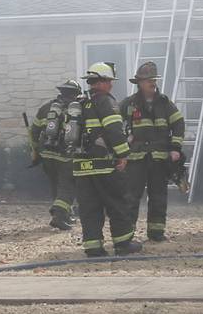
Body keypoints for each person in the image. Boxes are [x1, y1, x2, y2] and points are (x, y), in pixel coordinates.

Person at [72, 62, 142, 257]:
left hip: (81, 166)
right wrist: (123, 155)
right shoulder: (105, 101)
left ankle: (93, 247)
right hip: (103, 164)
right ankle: (123, 244)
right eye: (109, 81)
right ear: (101, 82)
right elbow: (114, 130)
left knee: (89, 208)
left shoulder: (80, 103)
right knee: (118, 203)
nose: (111, 85)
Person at [120, 61, 185, 242]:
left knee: (158, 196)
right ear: (139, 83)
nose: (152, 83)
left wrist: (175, 148)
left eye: (154, 79)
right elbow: (114, 124)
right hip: (136, 158)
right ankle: (127, 234)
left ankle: (156, 233)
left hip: (159, 158)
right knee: (131, 197)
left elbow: (179, 124)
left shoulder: (165, 103)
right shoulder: (128, 104)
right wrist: (124, 141)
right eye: (148, 80)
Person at [30, 79, 82, 230]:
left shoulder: (46, 108)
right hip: (66, 156)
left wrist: (35, 151)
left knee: (55, 185)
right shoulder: (78, 109)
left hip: (46, 154)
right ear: (76, 94)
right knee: (68, 187)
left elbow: (34, 132)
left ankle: (64, 214)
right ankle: (59, 216)